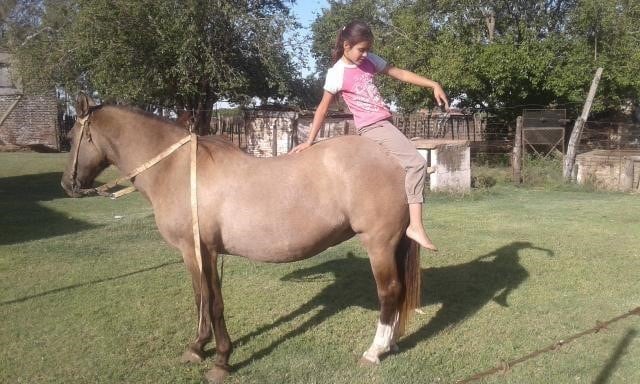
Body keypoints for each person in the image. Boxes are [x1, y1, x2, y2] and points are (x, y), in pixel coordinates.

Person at [290, 20, 449, 252]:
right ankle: (415, 226)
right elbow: (323, 108)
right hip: (373, 126)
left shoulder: (370, 61)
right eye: (361, 49)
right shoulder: (336, 73)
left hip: (385, 123)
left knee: (401, 169)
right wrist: (309, 141)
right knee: (416, 164)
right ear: (346, 46)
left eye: (367, 49)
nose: (365, 54)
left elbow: (400, 74)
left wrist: (432, 84)